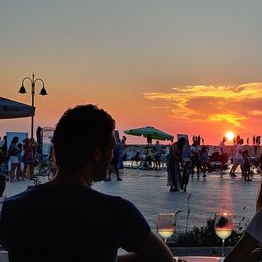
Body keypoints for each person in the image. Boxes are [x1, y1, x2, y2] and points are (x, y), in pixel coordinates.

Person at [0, 104, 174, 261]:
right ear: (97, 152)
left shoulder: (13, 209)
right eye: (112, 148)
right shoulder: (115, 212)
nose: (113, 156)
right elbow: (163, 259)